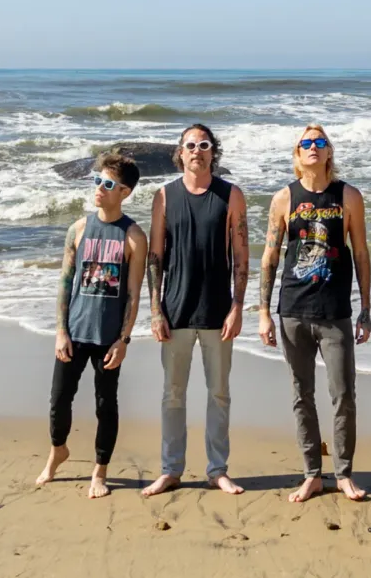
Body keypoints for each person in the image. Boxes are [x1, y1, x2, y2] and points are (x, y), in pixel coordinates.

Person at [258, 124, 371, 503]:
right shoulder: (283, 199)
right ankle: (311, 474)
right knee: (301, 395)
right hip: (293, 310)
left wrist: (366, 308)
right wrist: (263, 312)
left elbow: (361, 253)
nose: (313, 147)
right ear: (297, 153)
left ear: (328, 152)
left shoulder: (348, 196)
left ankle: (343, 474)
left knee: (344, 395)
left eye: (320, 142)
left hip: (335, 312)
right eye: (305, 143)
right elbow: (270, 256)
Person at [142, 124, 249, 497]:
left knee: (219, 393)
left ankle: (217, 470)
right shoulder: (164, 196)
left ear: (212, 152)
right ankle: (171, 470)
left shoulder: (231, 195)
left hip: (218, 312)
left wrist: (238, 307)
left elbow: (241, 256)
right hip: (175, 311)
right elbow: (155, 257)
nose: (197, 151)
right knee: (172, 394)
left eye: (204, 145)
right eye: (190, 145)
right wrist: (155, 309)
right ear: (180, 152)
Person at [36, 153, 147, 499]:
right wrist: (60, 331)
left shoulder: (133, 236)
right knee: (58, 400)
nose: (99, 188)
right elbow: (65, 283)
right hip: (74, 332)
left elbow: (134, 293)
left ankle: (100, 472)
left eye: (108, 184)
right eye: (97, 181)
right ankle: (58, 451)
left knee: (105, 405)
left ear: (125, 192)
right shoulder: (79, 229)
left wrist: (123, 340)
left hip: (108, 338)